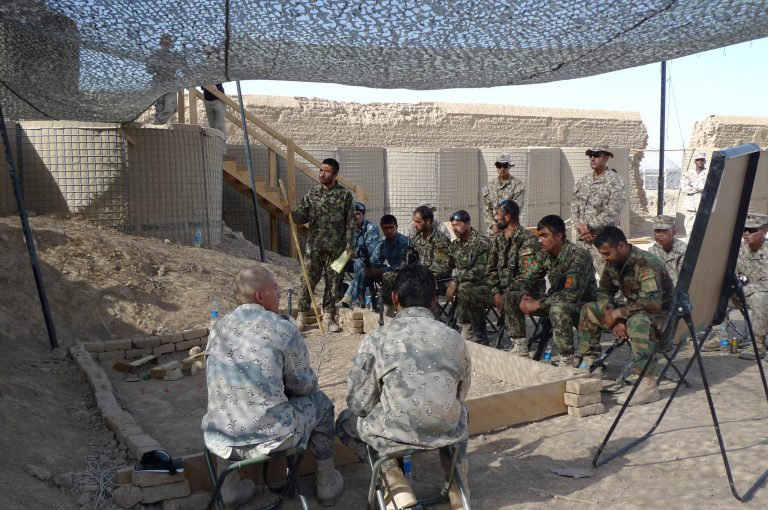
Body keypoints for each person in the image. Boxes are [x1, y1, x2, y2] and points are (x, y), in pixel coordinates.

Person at [201, 266, 344, 507]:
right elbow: (304, 385)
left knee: (224, 410)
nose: (279, 294)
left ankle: (228, 489)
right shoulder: (282, 328)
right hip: (273, 438)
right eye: (275, 289)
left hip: (221, 438)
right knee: (322, 404)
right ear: (259, 296)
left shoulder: (217, 329)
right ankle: (327, 482)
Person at [335, 264, 471, 510]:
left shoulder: (377, 339)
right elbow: (461, 392)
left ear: (395, 298)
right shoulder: (455, 337)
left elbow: (358, 403)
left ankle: (395, 484)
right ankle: (458, 489)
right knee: (457, 411)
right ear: (433, 301)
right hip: (448, 429)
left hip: (397, 434)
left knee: (346, 422)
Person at [578, 226, 674, 405]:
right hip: (633, 309)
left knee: (638, 322)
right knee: (589, 310)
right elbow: (605, 290)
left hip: (659, 315)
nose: (603, 258)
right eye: (602, 254)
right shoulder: (614, 262)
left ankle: (648, 385)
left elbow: (651, 304)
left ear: (621, 246)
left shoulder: (646, 264)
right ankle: (591, 364)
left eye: (607, 253)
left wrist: (619, 313)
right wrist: (611, 316)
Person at [515, 215, 597, 365]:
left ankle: (567, 359)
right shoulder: (545, 254)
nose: (540, 240)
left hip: (584, 308)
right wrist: (524, 295)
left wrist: (538, 304)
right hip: (559, 301)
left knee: (558, 309)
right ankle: (520, 345)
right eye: (539, 236)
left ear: (559, 236)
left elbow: (570, 294)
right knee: (512, 296)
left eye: (544, 236)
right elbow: (527, 277)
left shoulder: (578, 255)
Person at [285, 158, 355, 333]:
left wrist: (350, 246)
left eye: (327, 171)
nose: (322, 174)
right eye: (321, 170)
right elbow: (301, 218)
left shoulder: (345, 195)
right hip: (314, 247)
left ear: (335, 174)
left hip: (337, 249)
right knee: (307, 279)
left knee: (333, 282)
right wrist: (291, 213)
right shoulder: (312, 194)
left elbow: (350, 223)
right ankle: (301, 315)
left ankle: (328, 318)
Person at [702, 214, 768, 359]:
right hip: (745, 294)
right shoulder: (740, 251)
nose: (746, 233)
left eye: (751, 230)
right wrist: (730, 288)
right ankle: (721, 337)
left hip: (762, 296)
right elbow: (731, 274)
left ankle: (759, 344)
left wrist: (741, 290)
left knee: (760, 298)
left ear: (764, 230)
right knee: (718, 296)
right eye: (744, 229)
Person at [485, 199, 541, 354]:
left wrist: (505, 292)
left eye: (498, 214)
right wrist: (496, 292)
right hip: (501, 290)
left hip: (527, 288)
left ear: (507, 217)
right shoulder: (498, 240)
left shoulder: (527, 239)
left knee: (511, 297)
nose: (495, 218)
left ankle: (520, 344)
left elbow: (527, 274)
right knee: (468, 291)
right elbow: (489, 269)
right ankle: (476, 332)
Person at [571, 146, 627, 275]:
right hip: (583, 241)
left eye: (596, 155)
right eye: (591, 155)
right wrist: (581, 230)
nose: (592, 158)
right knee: (581, 281)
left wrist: (590, 227)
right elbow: (574, 206)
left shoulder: (615, 182)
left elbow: (613, 211)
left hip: (603, 242)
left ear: (606, 157)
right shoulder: (583, 181)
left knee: (610, 283)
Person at [446, 210, 492, 343]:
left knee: (465, 289)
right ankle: (463, 326)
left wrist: (456, 282)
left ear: (468, 224)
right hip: (462, 285)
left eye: (458, 224)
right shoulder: (455, 245)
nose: (455, 228)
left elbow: (480, 269)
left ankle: (479, 333)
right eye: (453, 225)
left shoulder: (482, 243)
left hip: (483, 284)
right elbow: (447, 265)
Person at [341, 202, 381, 308]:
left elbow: (370, 252)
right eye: (352, 214)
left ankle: (359, 297)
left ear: (363, 215)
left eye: (358, 213)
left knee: (359, 263)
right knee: (335, 265)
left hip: (368, 262)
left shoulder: (371, 228)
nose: (355, 216)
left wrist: (353, 253)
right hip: (350, 259)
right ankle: (337, 293)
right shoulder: (348, 229)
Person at [367, 214, 410, 310]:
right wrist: (370, 268)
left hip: (406, 272)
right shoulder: (382, 242)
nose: (389, 231)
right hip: (391, 270)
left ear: (397, 227)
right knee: (365, 271)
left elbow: (403, 265)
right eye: (386, 228)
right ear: (382, 229)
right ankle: (364, 302)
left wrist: (381, 270)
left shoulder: (404, 242)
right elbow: (375, 261)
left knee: (386, 276)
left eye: (391, 227)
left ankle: (389, 307)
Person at [147, 34, 187, 125]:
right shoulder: (155, 56)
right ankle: (158, 129)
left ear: (170, 44)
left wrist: (183, 59)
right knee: (160, 109)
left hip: (171, 85)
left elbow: (183, 69)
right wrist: (150, 63)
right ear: (161, 43)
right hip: (158, 85)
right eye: (164, 43)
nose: (166, 44)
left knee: (170, 108)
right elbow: (149, 71)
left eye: (168, 43)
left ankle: (157, 124)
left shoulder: (174, 56)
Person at [482, 153, 526, 235]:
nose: (502, 168)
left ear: (510, 167)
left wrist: (503, 226)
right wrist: (493, 225)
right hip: (493, 232)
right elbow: (487, 209)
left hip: (510, 231)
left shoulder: (518, 186)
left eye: (505, 165)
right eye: (499, 165)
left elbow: (516, 209)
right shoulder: (490, 186)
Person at [411, 204, 452, 291]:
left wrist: (427, 274)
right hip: (419, 276)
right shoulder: (416, 239)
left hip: (439, 280)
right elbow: (408, 259)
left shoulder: (441, 241)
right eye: (415, 221)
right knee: (391, 277)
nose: (415, 225)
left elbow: (444, 266)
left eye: (418, 222)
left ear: (428, 221)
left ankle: (428, 303)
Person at [648, 214, 688, 286]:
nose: (660, 234)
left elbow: (684, 280)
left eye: (665, 231)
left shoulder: (683, 251)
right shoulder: (653, 250)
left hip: (677, 291)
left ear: (674, 232)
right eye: (657, 231)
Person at [681, 152, 708, 237]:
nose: (700, 161)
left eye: (702, 160)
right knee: (689, 226)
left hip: (704, 203)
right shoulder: (688, 173)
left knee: (704, 226)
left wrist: (693, 185)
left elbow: (708, 186)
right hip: (691, 205)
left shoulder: (709, 173)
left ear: (705, 161)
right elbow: (684, 187)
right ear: (695, 161)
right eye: (698, 160)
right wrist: (698, 188)